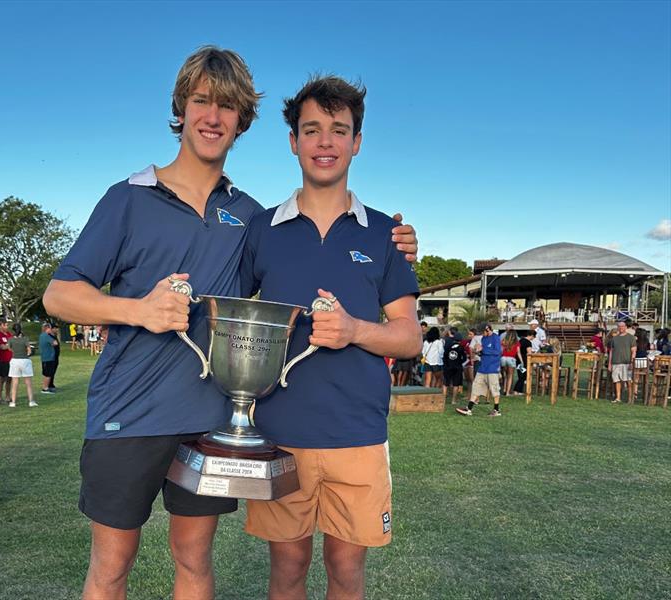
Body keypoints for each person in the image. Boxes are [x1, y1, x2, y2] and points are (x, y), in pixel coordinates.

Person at [42, 47, 420, 600]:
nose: (212, 116)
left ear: (243, 119)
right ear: (182, 106)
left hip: (210, 418)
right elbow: (58, 294)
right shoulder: (132, 198)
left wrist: (398, 247)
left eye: (227, 106)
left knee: (194, 560)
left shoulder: (247, 215)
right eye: (201, 101)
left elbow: (300, 276)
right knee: (112, 563)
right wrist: (137, 309)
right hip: (128, 415)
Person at [239, 75, 421, 600]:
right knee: (288, 571)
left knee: (346, 573)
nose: (325, 143)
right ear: (293, 140)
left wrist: (355, 330)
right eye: (312, 129)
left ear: (357, 142)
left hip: (357, 436)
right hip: (280, 431)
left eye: (338, 131)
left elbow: (408, 337)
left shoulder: (385, 234)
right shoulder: (262, 229)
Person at [456, 323, 502, 416]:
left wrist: (483, 350)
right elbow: (483, 352)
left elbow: (497, 351)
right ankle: (468, 409)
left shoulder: (495, 338)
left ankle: (496, 410)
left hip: (492, 368)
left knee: (494, 389)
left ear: (488, 329)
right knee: (476, 387)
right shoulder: (483, 339)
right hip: (482, 367)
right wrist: (477, 351)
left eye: (482, 332)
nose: (481, 335)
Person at [7, 323, 36, 408]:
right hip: (25, 360)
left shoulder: (11, 339)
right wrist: (27, 353)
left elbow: (9, 348)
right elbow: (29, 350)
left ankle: (13, 402)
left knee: (15, 382)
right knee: (28, 383)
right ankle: (31, 401)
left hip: (15, 360)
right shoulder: (25, 339)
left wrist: (14, 351)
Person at [608, 320, 636, 403]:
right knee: (616, 380)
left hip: (626, 362)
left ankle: (630, 398)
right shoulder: (614, 338)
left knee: (628, 380)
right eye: (619, 326)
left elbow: (634, 351)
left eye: (623, 326)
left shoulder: (631, 338)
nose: (621, 328)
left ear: (626, 327)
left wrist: (631, 362)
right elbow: (611, 352)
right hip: (615, 361)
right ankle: (618, 397)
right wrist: (610, 363)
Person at [442, 334, 467, 404]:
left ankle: (443, 400)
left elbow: (444, 357)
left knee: (445, 384)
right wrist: (460, 362)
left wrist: (446, 364)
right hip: (457, 368)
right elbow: (464, 358)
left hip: (447, 367)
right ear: (460, 340)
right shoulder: (461, 348)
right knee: (455, 384)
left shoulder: (448, 346)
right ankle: (453, 400)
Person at [0, 319, 14, 403]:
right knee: (2, 378)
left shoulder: (9, 334)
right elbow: (2, 347)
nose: (7, 327)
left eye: (7, 325)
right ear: (0, 325)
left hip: (11, 359)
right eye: (5, 325)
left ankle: (7, 396)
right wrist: (9, 346)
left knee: (10, 379)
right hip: (3, 360)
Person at [512, 330, 535, 395]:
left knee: (521, 375)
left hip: (518, 360)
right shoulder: (528, 343)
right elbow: (529, 353)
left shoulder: (520, 340)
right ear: (532, 336)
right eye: (534, 337)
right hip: (524, 361)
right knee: (523, 376)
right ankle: (516, 391)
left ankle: (519, 391)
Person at [38, 322, 58, 394]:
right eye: (50, 328)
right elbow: (55, 343)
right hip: (48, 357)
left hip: (45, 357)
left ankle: (46, 386)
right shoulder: (46, 336)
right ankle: (45, 388)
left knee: (46, 372)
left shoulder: (41, 335)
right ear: (47, 328)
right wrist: (52, 344)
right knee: (48, 373)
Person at [499, 329, 519, 396]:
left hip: (503, 358)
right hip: (511, 359)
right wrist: (521, 361)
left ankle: (504, 389)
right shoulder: (516, 342)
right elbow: (518, 353)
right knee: (510, 376)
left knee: (505, 375)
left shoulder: (503, 341)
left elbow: (501, 350)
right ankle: (507, 392)